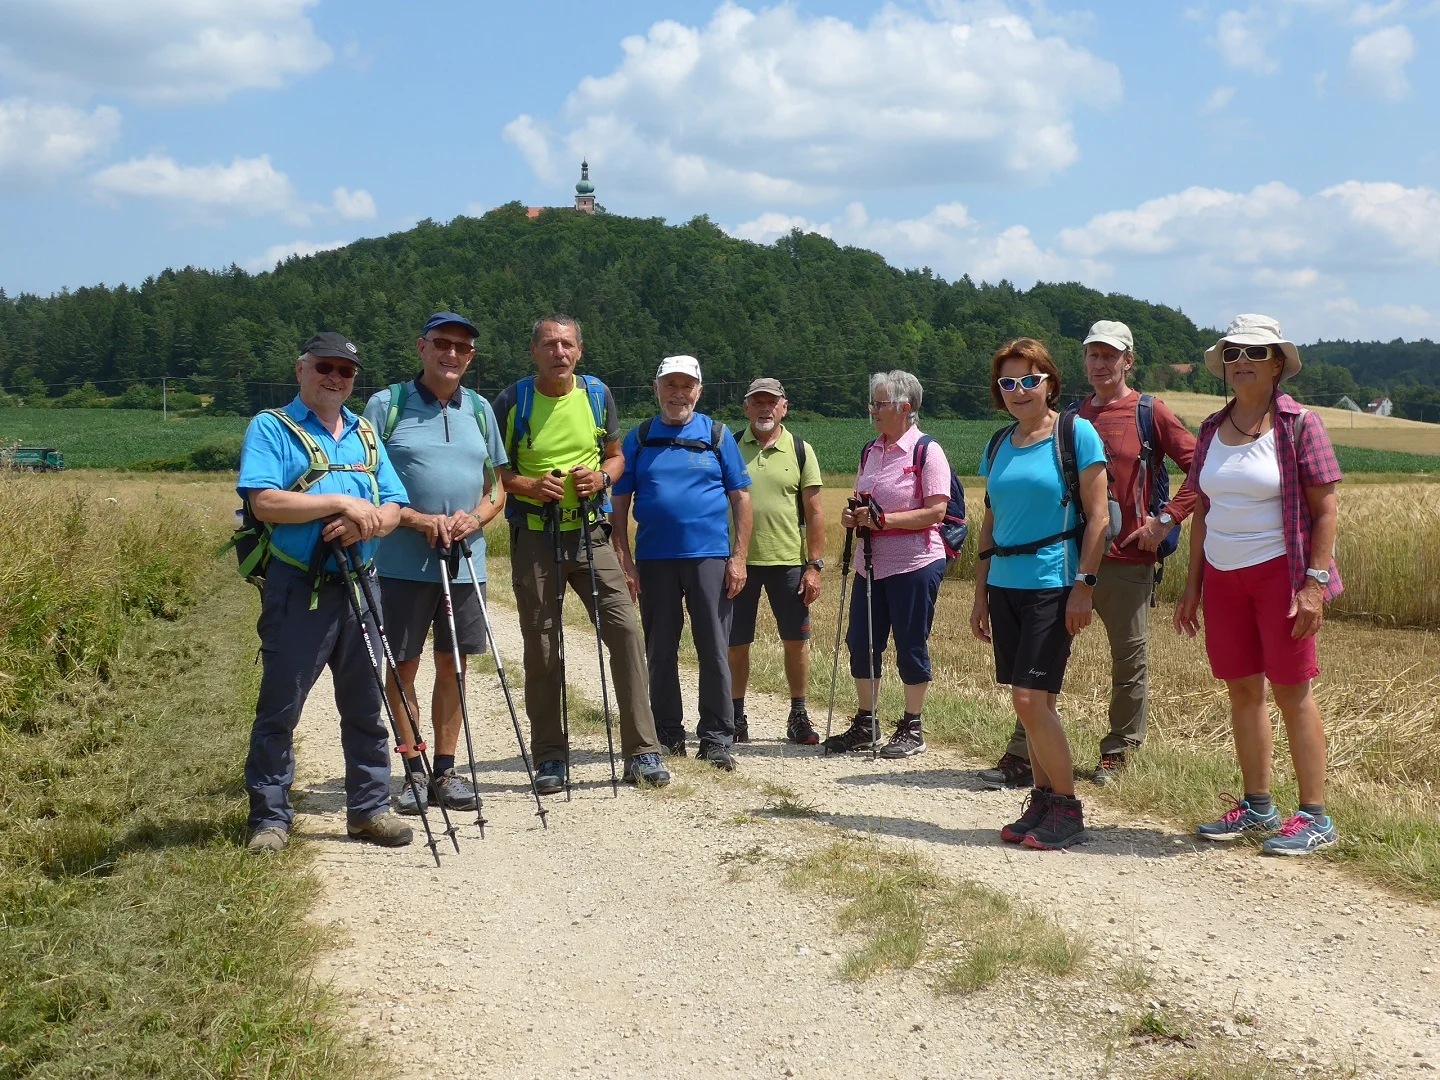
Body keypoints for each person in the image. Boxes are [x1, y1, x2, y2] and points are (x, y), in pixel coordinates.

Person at [980, 320, 1198, 790]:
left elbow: (1201, 467)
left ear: (1128, 361)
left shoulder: (1149, 412)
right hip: (1068, 560)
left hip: (1128, 558)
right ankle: (1022, 754)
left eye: (1110, 355)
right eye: (1092, 355)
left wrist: (1166, 520)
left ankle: (1118, 751)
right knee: (1038, 665)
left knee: (1128, 659)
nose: (1100, 364)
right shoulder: (1071, 418)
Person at [238, 332, 413, 853]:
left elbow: (395, 504)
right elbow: (264, 502)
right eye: (325, 367)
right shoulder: (271, 427)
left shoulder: (365, 432)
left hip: (362, 585)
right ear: (301, 369)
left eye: (346, 371)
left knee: (366, 704)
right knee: (281, 707)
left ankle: (369, 810)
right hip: (299, 587)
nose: (335, 378)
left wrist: (369, 522)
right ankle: (269, 818)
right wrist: (339, 502)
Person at [1174, 314, 1342, 856]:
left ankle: (1315, 816)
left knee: (1293, 691)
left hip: (1281, 576)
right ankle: (1257, 806)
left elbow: (1326, 510)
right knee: (1243, 690)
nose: (1241, 361)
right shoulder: (1210, 428)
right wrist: (1192, 587)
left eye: (1254, 352)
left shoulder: (1300, 424)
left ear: (1277, 364)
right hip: (1223, 578)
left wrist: (1314, 586)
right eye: (1233, 353)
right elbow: (1203, 511)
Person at [493, 314, 670, 794]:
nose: (559, 352)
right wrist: (530, 485)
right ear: (534, 351)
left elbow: (616, 455)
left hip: (591, 533)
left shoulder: (596, 394)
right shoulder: (513, 400)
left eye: (567, 344)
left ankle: (643, 752)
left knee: (626, 631)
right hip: (535, 535)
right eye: (549, 344)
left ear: (580, 350)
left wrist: (603, 477)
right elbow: (495, 473)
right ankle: (550, 757)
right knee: (542, 647)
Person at [362, 312, 505, 815]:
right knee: (403, 666)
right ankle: (413, 769)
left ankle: (445, 768)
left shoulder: (481, 410)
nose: (451, 353)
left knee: (454, 665)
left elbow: (497, 488)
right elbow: (366, 481)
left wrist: (475, 518)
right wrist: (418, 519)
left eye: (462, 347)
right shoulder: (387, 405)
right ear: (421, 348)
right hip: (400, 563)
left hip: (465, 563)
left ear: (471, 357)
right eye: (442, 343)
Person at [970, 338, 1109, 850]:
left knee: (1029, 699)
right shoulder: (998, 444)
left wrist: (1084, 587)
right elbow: (990, 524)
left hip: (1053, 582)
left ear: (1050, 382)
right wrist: (980, 594)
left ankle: (1067, 807)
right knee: (1034, 702)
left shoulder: (1076, 434)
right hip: (1004, 584)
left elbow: (1099, 518)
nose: (1019, 390)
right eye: (1008, 382)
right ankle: (1044, 800)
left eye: (1030, 379)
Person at [612, 355, 753, 771]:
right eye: (670, 385)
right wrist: (624, 558)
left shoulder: (716, 434)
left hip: (709, 558)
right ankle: (667, 734)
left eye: (686, 386)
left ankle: (716, 738)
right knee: (660, 650)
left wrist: (739, 557)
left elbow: (741, 498)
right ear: (656, 389)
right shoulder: (639, 437)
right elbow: (619, 503)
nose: (678, 394)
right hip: (654, 560)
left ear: (699, 391)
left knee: (714, 649)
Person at [823, 370, 949, 760]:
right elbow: (862, 499)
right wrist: (852, 517)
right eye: (873, 403)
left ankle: (913, 726)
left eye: (879, 404)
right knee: (861, 642)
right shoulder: (870, 450)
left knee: (910, 644)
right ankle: (867, 723)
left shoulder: (926, 451)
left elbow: (937, 511)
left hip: (915, 562)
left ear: (904, 407)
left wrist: (884, 521)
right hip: (870, 564)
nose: (873, 410)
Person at [727, 378, 825, 746]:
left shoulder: (800, 450)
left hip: (788, 562)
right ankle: (735, 717)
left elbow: (815, 512)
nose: (765, 409)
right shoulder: (729, 446)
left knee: (796, 642)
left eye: (772, 402)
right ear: (746, 408)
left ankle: (798, 715)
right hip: (740, 562)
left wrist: (814, 566)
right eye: (758, 402)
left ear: (784, 407)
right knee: (736, 643)